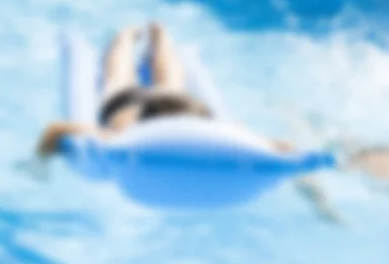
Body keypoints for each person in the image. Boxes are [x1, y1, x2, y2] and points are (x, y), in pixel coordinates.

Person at [29, 23, 293, 173]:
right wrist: (38, 165)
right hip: (124, 101)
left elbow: (56, 129)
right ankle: (130, 35)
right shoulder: (123, 138)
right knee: (121, 77)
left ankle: (152, 34)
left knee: (168, 83)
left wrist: (40, 162)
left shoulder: (217, 132)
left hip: (157, 102)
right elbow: (57, 129)